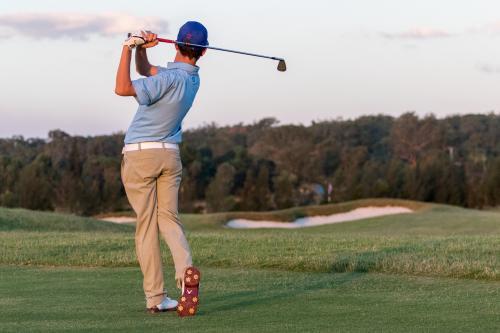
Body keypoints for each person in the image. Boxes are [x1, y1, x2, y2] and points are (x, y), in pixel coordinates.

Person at [115, 21, 206, 315]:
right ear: (202, 52)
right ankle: (186, 270)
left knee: (146, 227)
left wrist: (127, 47)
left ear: (177, 45)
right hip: (170, 156)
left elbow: (122, 88)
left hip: (141, 155)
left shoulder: (167, 80)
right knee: (168, 218)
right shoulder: (191, 80)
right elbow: (146, 72)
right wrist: (141, 49)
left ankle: (156, 297)